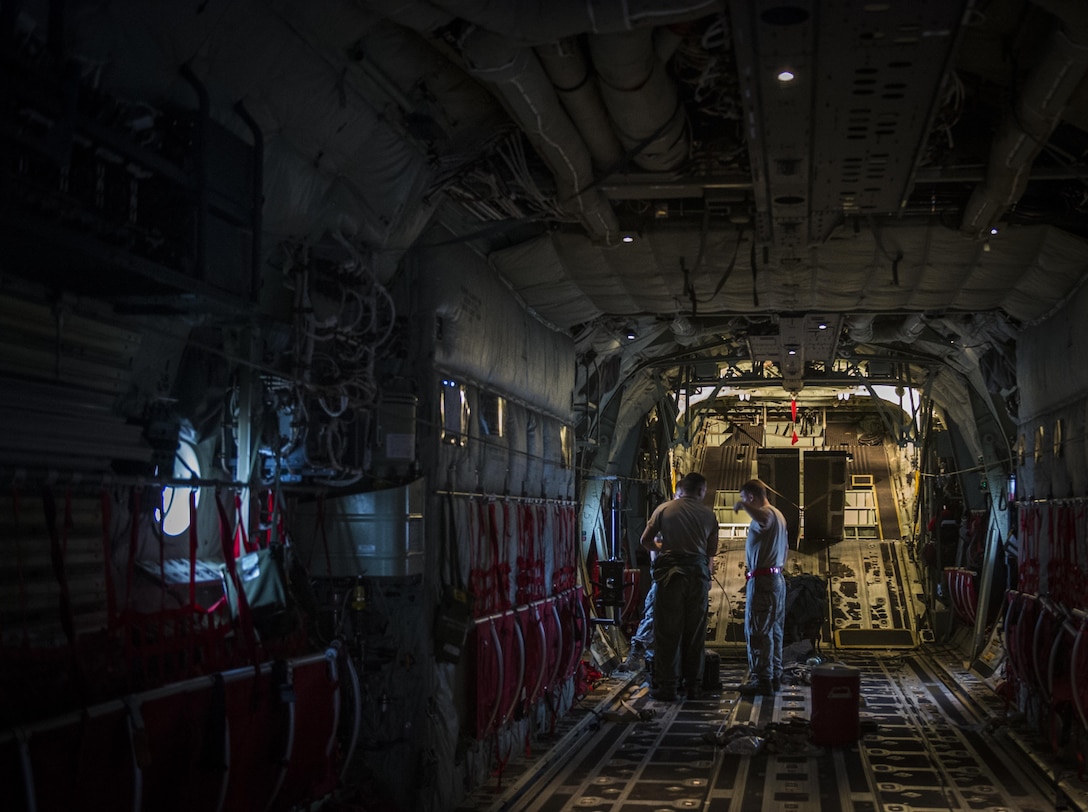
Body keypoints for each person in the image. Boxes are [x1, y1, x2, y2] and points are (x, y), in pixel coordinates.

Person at [639, 472, 718, 701]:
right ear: (701, 491)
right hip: (698, 577)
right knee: (694, 633)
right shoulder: (709, 516)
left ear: (681, 489)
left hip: (670, 577)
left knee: (667, 632)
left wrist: (662, 549)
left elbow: (645, 541)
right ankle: (694, 686)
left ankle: (668, 687)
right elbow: (710, 552)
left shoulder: (664, 510)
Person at [733, 478, 789, 696]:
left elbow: (762, 518)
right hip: (776, 579)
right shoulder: (781, 516)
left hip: (763, 580)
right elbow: (785, 549)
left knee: (757, 630)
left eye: (744, 499)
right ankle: (774, 675)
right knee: (774, 631)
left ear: (751, 497)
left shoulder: (767, 514)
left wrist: (743, 507)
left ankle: (761, 679)